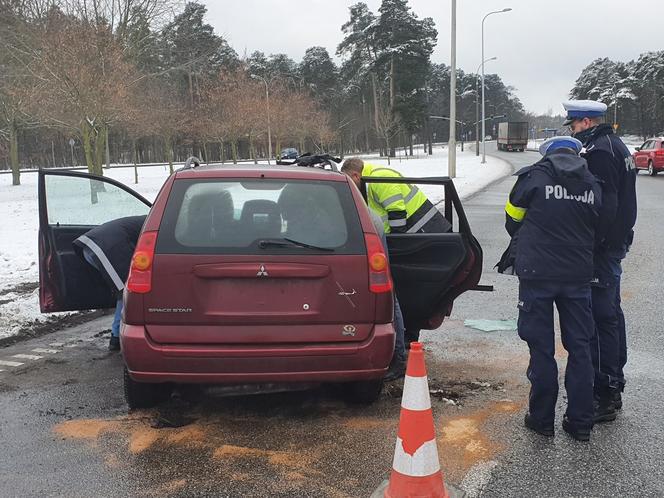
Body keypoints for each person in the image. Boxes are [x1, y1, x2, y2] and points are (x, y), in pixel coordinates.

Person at [498, 136, 604, 442]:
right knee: (580, 346)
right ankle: (581, 421)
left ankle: (542, 419)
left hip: (537, 274)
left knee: (541, 347)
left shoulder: (533, 177)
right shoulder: (592, 183)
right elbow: (600, 226)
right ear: (576, 153)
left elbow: (512, 220)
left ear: (547, 154)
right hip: (577, 275)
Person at [563, 100, 637, 421]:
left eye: (575, 125)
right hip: (612, 245)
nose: (573, 130)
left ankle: (605, 392)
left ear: (588, 122)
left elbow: (605, 205)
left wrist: (592, 247)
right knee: (610, 314)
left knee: (600, 317)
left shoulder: (601, 151)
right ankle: (612, 383)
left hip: (602, 249)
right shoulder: (614, 145)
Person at [341, 158, 451, 345]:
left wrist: (398, 243)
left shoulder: (378, 178)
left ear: (355, 175)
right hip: (420, 234)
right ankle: (410, 335)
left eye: (350, 183)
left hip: (423, 233)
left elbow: (397, 212)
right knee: (409, 287)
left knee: (414, 288)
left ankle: (410, 336)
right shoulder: (370, 181)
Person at [73, 215, 147, 351]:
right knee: (127, 291)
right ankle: (116, 337)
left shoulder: (151, 217)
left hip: (92, 246)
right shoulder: (161, 223)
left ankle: (116, 336)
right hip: (106, 247)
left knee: (124, 289)